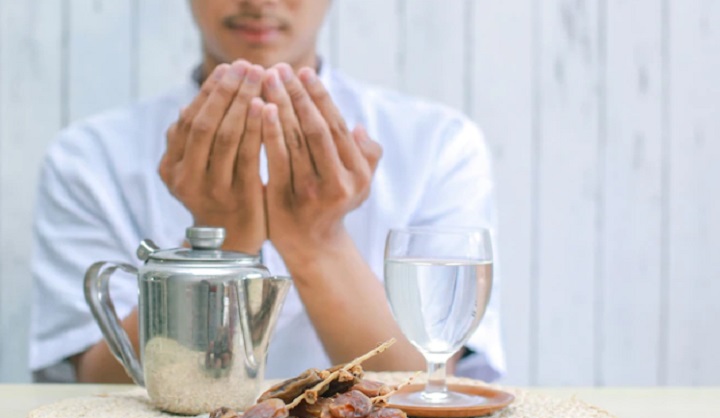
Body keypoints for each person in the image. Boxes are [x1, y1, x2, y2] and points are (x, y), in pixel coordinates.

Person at [28, 0, 505, 383]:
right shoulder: (89, 156)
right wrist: (222, 242)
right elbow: (93, 389)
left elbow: (429, 381)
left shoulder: (437, 143)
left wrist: (317, 241)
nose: (258, 2)